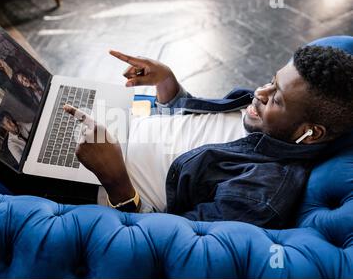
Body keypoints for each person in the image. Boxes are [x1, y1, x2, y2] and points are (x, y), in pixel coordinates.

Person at [62, 45, 353, 228]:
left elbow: (162, 242)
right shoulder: (260, 117)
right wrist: (168, 85)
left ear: (310, 133)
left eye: (277, 98)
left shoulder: (259, 194)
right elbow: (195, 128)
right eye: (272, 81)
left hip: (93, 182)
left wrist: (114, 179)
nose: (260, 92)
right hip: (121, 127)